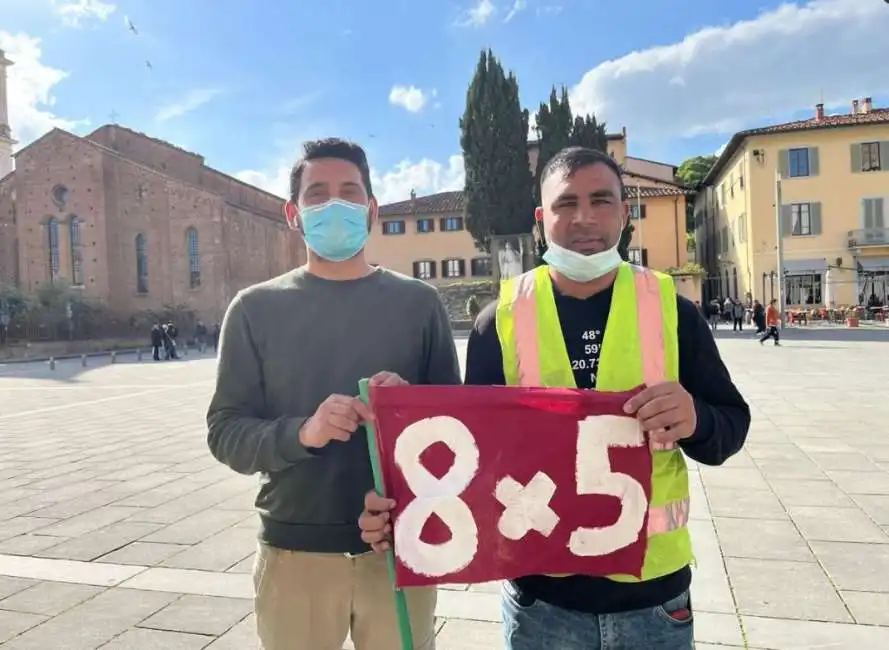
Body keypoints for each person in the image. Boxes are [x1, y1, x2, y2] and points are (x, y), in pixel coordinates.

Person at [359, 146, 750, 650]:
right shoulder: (498, 320)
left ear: (625, 213)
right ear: (542, 219)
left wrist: (694, 417)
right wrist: (404, 471)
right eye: (566, 204)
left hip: (653, 599)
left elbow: (729, 429)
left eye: (601, 200)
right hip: (542, 605)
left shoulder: (673, 310)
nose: (584, 218)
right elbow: (471, 457)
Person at [206, 138, 461, 650]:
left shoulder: (419, 303)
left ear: (371, 208)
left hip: (398, 550)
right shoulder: (254, 309)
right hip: (295, 556)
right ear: (293, 213)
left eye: (349, 192)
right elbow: (226, 432)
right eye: (317, 194)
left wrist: (411, 411)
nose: (333, 204)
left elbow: (456, 430)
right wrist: (304, 431)